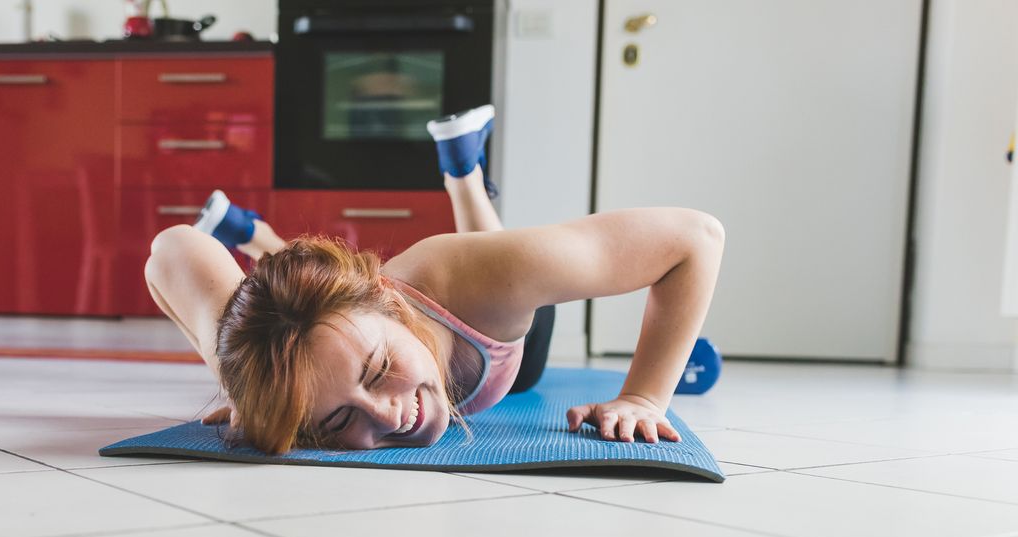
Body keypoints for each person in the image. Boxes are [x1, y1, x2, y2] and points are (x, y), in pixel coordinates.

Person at [144, 105, 724, 454]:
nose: (390, 415)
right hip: (367, 309)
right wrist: (252, 386)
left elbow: (695, 239)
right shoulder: (303, 369)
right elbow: (169, 250)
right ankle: (259, 235)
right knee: (284, 321)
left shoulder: (477, 283)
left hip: (491, 327)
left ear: (391, 303)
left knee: (504, 276)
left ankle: (464, 175)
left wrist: (644, 397)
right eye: (340, 419)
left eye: (377, 371)